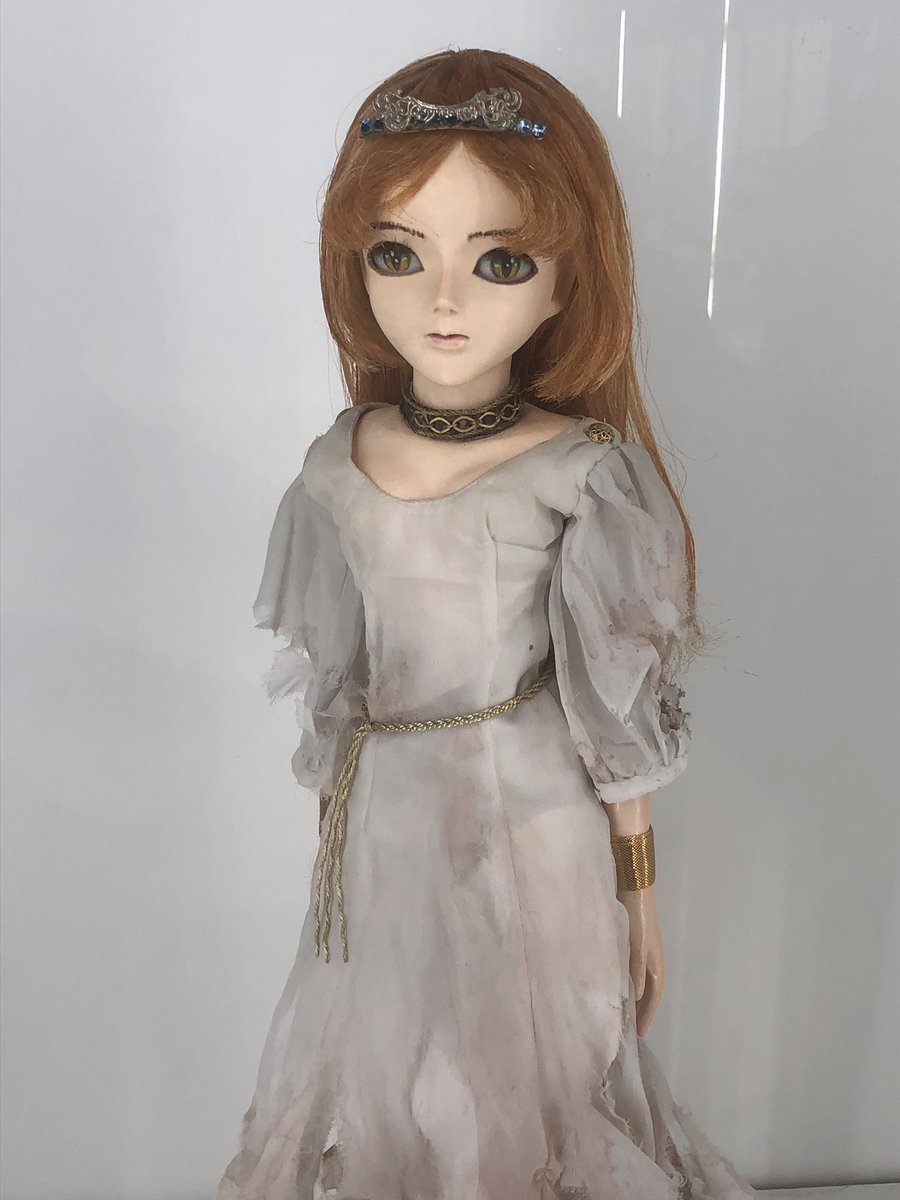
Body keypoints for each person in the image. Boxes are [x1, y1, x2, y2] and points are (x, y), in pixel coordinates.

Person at [219, 46, 758, 1200]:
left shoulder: (580, 472)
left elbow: (613, 699)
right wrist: (337, 846)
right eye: (398, 254)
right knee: (398, 1073)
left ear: (565, 284)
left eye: (500, 260)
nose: (445, 301)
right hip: (388, 821)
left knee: (533, 1073)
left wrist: (638, 884)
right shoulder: (336, 465)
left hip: (535, 814)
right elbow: (341, 680)